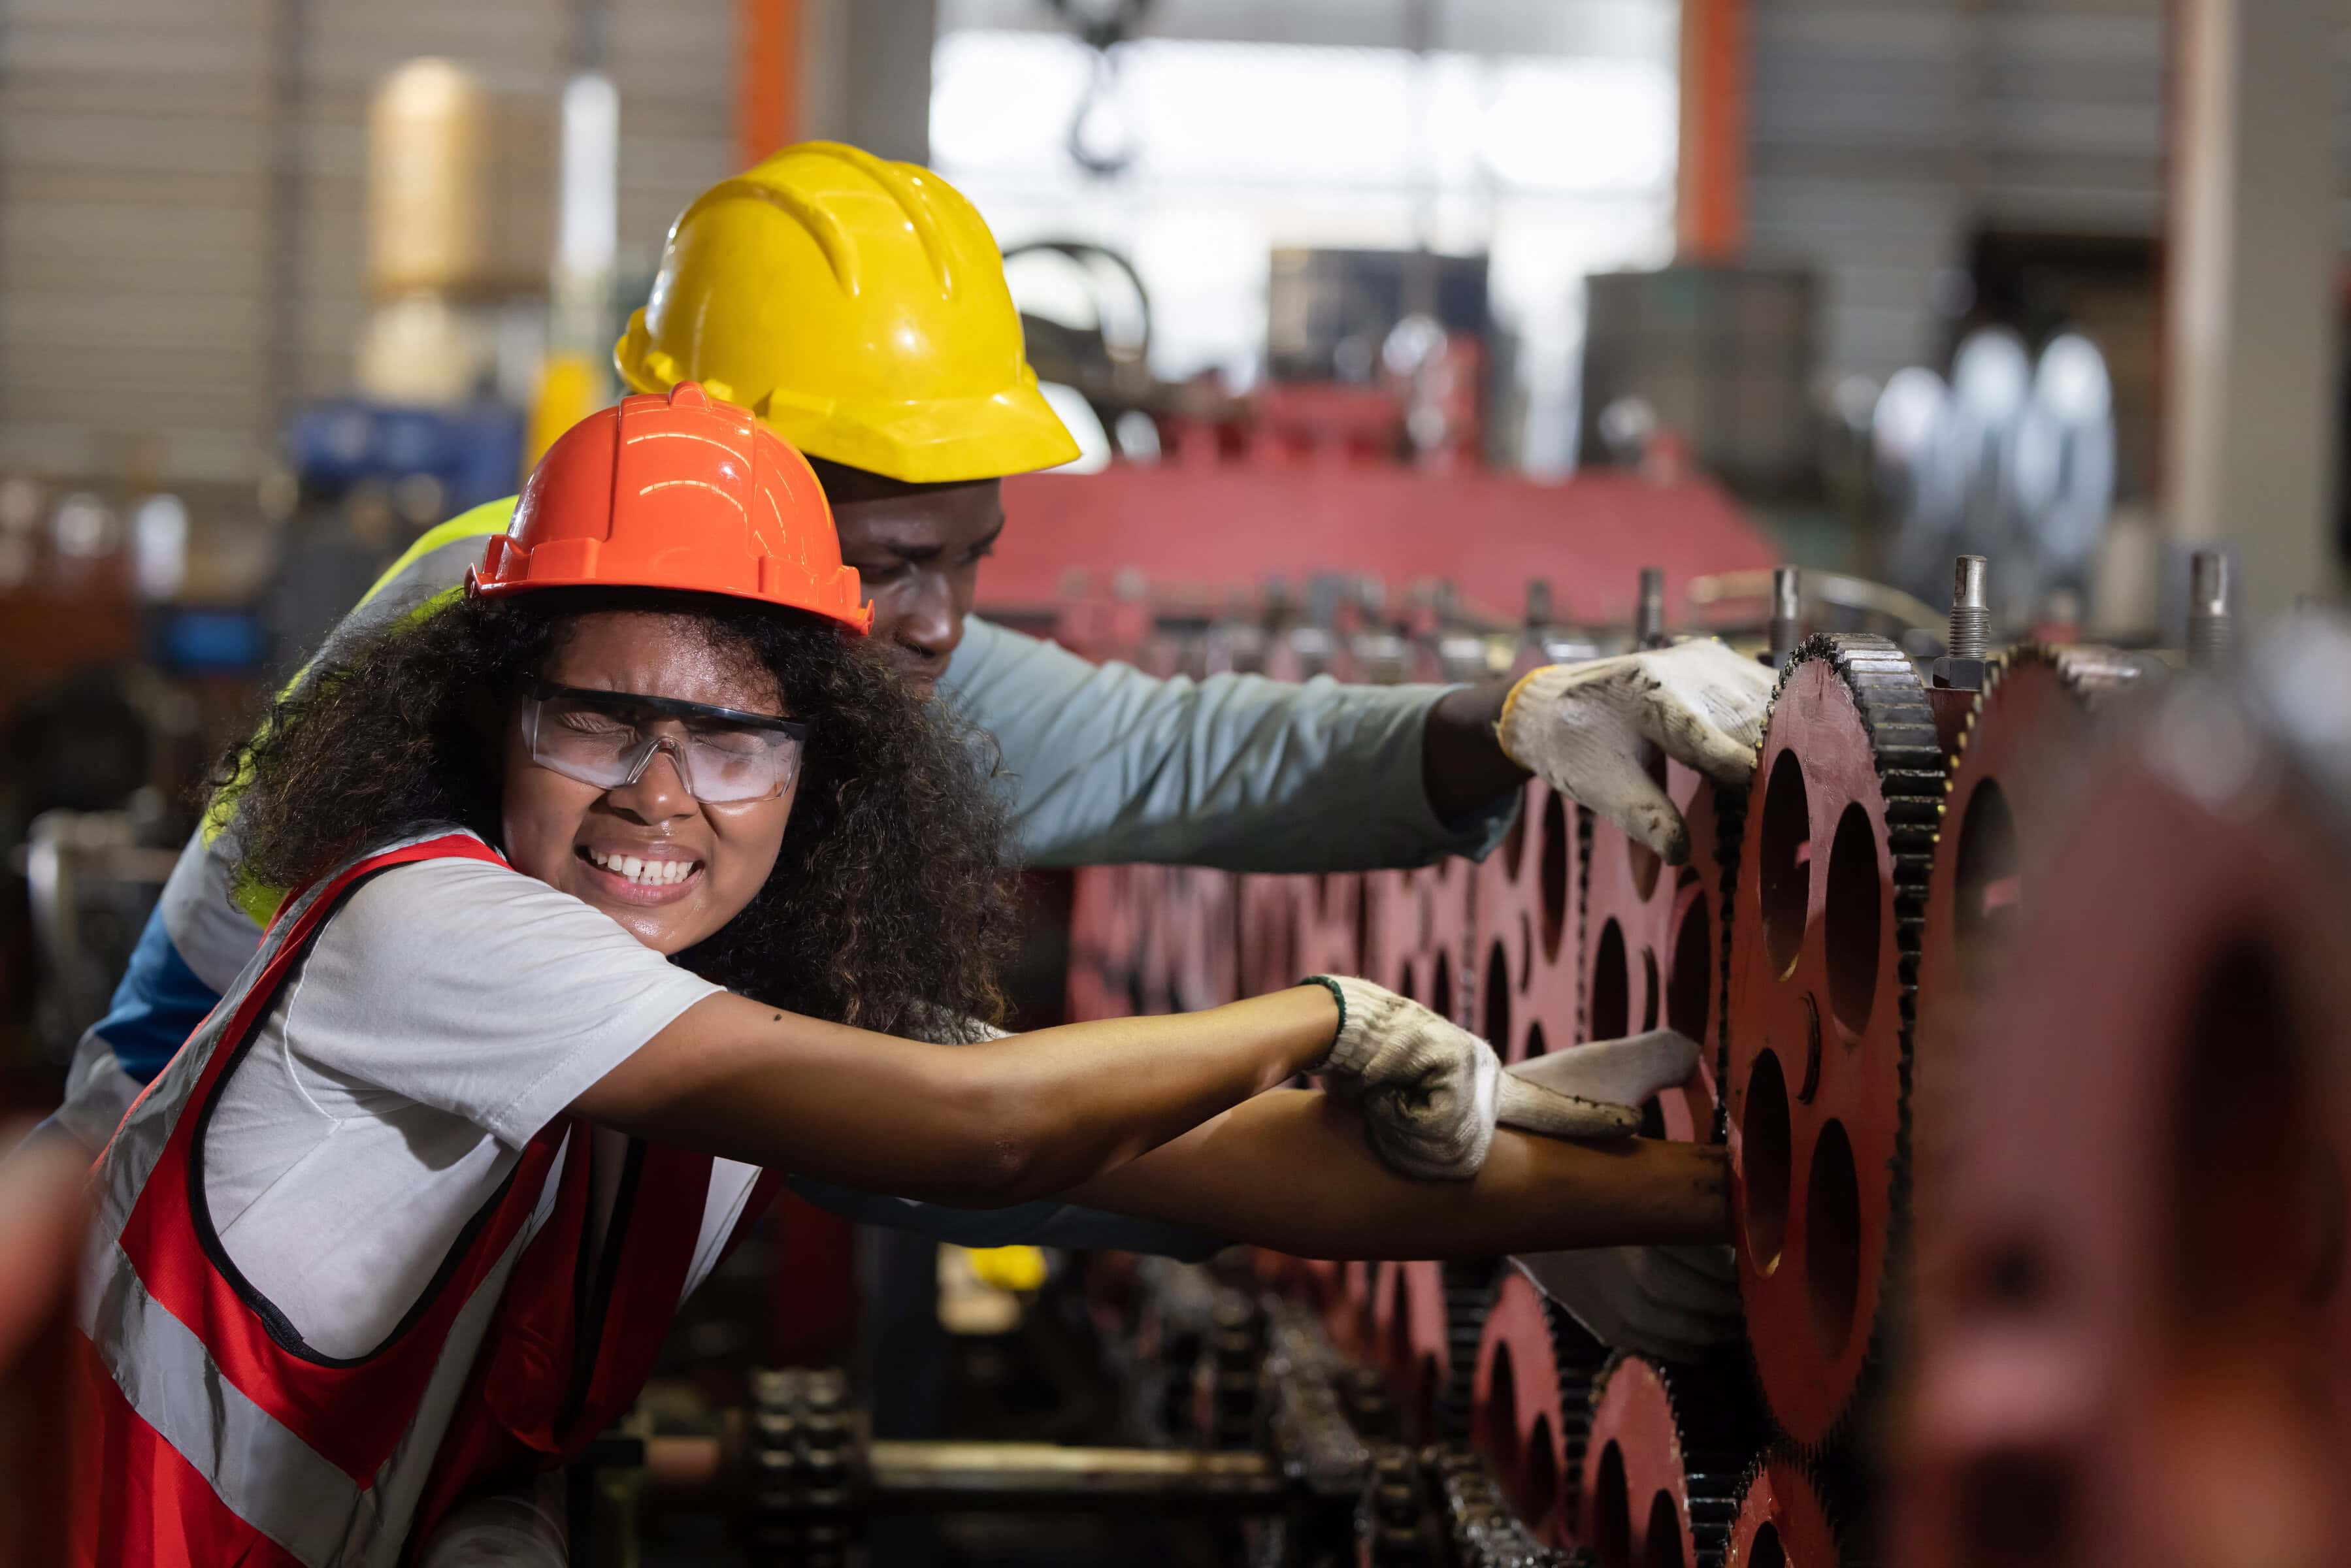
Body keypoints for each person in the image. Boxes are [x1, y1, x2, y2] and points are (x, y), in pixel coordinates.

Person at [58, 140, 1771, 1357]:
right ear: (710, 492)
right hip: (193, 1271)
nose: (940, 623)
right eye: (883, 566)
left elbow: (1176, 759)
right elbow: (967, 1131)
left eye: (968, 556)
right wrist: (1363, 1056)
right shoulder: (533, 687)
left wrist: (1520, 721)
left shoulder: (805, 670)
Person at [73, 387, 1721, 1565]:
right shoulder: (426, 932)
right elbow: (986, 1127)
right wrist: (1330, 1017)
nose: (660, 794)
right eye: (593, 721)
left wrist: (1669, 1199)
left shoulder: (722, 991)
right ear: (482, 720)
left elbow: (1175, 1156)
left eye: (732, 737)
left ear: (823, 762)